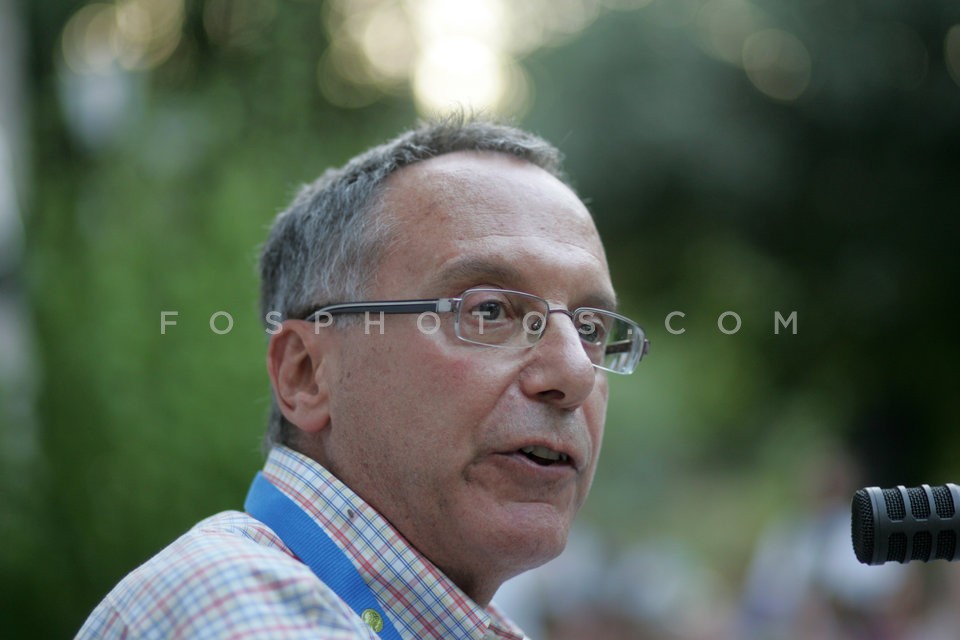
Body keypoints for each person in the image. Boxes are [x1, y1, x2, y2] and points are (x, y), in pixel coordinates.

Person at [77, 115, 649, 639]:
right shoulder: (236, 608)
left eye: (591, 327)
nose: (575, 370)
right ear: (307, 374)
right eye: (489, 310)